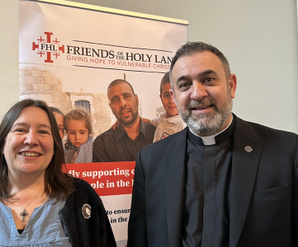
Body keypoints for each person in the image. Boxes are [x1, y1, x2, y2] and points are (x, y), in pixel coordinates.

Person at [127, 42, 298, 247]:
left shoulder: (286, 151)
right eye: (184, 85)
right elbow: (140, 240)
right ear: (173, 97)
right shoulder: (150, 160)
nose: (197, 94)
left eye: (208, 79)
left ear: (231, 85)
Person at [0, 99, 116, 246]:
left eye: (43, 131)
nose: (31, 140)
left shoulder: (82, 196)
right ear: (2, 141)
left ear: (54, 145)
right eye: (20, 130)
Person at [93, 79, 156, 162]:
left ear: (136, 100)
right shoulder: (102, 144)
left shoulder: (157, 133)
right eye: (115, 100)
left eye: (126, 96)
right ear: (111, 107)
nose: (122, 103)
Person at [150, 72, 186, 142]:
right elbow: (149, 122)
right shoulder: (162, 119)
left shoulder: (182, 126)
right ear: (161, 98)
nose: (171, 101)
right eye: (166, 95)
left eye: (175, 95)